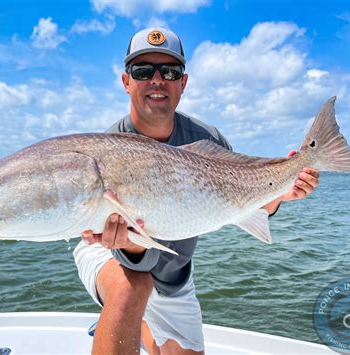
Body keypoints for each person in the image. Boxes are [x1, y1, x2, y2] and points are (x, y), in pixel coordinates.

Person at [73, 27, 319, 354]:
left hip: (173, 271)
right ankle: (130, 315)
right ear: (126, 81)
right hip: (113, 250)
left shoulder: (209, 140)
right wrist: (127, 245)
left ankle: (143, 326)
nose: (157, 79)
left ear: (183, 83)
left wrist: (282, 192)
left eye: (170, 71)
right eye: (143, 71)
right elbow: (120, 248)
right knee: (132, 288)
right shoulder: (109, 147)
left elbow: (245, 200)